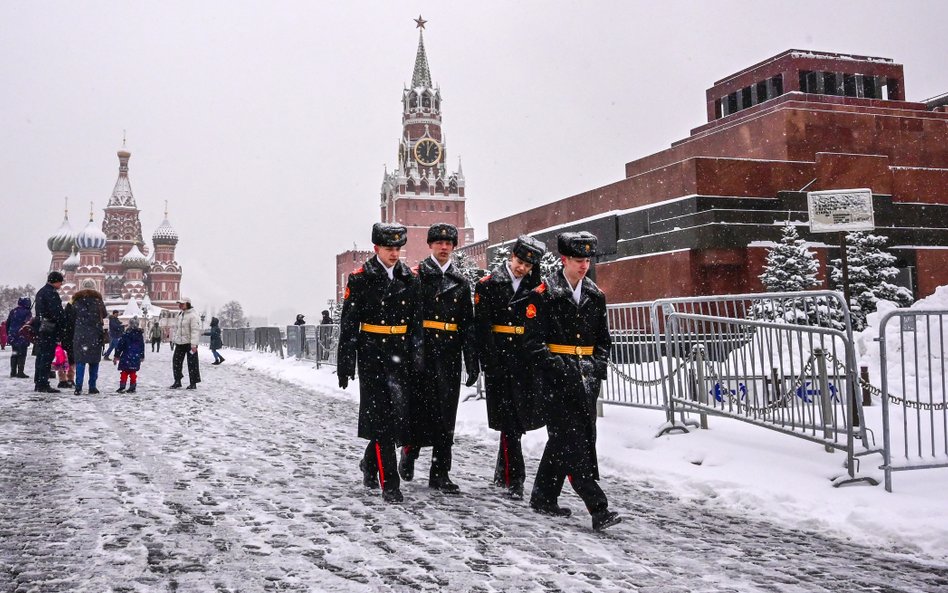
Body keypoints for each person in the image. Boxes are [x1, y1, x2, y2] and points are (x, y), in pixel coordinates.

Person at [523, 231, 620, 531]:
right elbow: (533, 343)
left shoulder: (595, 295)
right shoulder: (543, 294)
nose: (584, 266)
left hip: (586, 379)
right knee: (574, 444)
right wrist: (559, 367)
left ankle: (543, 496)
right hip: (557, 380)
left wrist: (597, 365)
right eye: (578, 260)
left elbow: (603, 340)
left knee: (569, 440)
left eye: (587, 260)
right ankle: (598, 507)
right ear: (564, 260)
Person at [337, 222, 423, 504]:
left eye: (398, 248)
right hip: (373, 354)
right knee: (383, 419)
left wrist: (417, 356)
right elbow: (349, 325)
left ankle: (369, 464)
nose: (394, 254)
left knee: (394, 418)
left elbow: (415, 324)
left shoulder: (409, 279)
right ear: (376, 248)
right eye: (389, 249)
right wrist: (346, 364)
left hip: (400, 354)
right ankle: (390, 484)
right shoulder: (361, 279)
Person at [399, 223, 479, 494]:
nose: (444, 247)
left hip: (449, 353)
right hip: (423, 351)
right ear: (430, 245)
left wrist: (472, 358)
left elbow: (467, 324)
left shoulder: (460, 282)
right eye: (439, 243)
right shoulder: (417, 276)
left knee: (446, 414)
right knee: (419, 408)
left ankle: (440, 471)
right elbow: (409, 318)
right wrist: (412, 351)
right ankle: (409, 452)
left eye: (449, 243)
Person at [474, 235, 547, 499]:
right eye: (519, 262)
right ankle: (515, 478)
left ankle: (502, 471)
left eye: (528, 265)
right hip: (500, 359)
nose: (522, 268)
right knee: (510, 422)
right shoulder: (489, 285)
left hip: (526, 360)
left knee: (517, 419)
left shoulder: (536, 287)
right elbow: (482, 327)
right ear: (511, 257)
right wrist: (487, 362)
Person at [71, 288, 107, 395]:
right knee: (94, 362)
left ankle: (78, 387)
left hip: (80, 335)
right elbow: (104, 314)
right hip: (95, 334)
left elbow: (70, 315)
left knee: (80, 362)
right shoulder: (98, 301)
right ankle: (92, 386)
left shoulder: (76, 301)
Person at [33, 271, 65, 393]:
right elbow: (56, 312)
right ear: (55, 281)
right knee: (47, 356)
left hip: (42, 328)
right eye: (60, 282)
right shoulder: (51, 293)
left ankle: (38, 381)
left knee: (41, 355)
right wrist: (62, 324)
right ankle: (43, 383)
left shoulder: (41, 292)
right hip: (49, 329)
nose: (61, 285)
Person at [170, 297, 201, 389]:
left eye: (182, 304)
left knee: (192, 363)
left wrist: (194, 344)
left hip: (189, 343)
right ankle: (177, 380)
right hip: (180, 343)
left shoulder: (193, 316)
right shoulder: (180, 315)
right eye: (179, 304)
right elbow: (176, 329)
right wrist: (174, 340)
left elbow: (195, 331)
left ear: (188, 304)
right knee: (176, 361)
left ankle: (193, 382)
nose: (180, 305)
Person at [113, 317, 145, 393]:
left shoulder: (126, 334)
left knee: (124, 372)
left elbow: (120, 345)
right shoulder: (139, 335)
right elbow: (142, 346)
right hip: (136, 356)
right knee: (133, 372)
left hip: (126, 355)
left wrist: (116, 355)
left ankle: (122, 385)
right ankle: (133, 386)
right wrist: (141, 355)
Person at [6, 297, 33, 379]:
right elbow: (28, 324)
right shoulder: (27, 312)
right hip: (22, 335)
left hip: (13, 335)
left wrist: (9, 334)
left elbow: (8, 323)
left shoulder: (13, 311)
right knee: (22, 354)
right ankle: (20, 372)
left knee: (14, 353)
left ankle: (13, 372)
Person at [56, 299, 76, 389]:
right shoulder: (76, 317)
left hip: (63, 340)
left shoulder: (62, 316)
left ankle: (62, 379)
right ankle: (70, 379)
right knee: (72, 360)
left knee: (61, 360)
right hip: (73, 340)